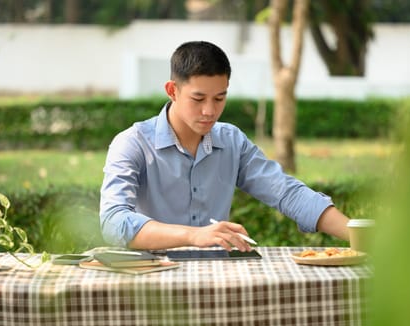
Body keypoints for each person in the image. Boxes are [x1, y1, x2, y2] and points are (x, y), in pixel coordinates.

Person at [99, 40, 350, 252]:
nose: (210, 111)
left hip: (218, 280)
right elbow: (113, 222)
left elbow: (287, 193)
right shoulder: (133, 143)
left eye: (219, 98)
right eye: (198, 98)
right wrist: (193, 236)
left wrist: (359, 235)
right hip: (150, 280)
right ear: (172, 91)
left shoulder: (232, 141)